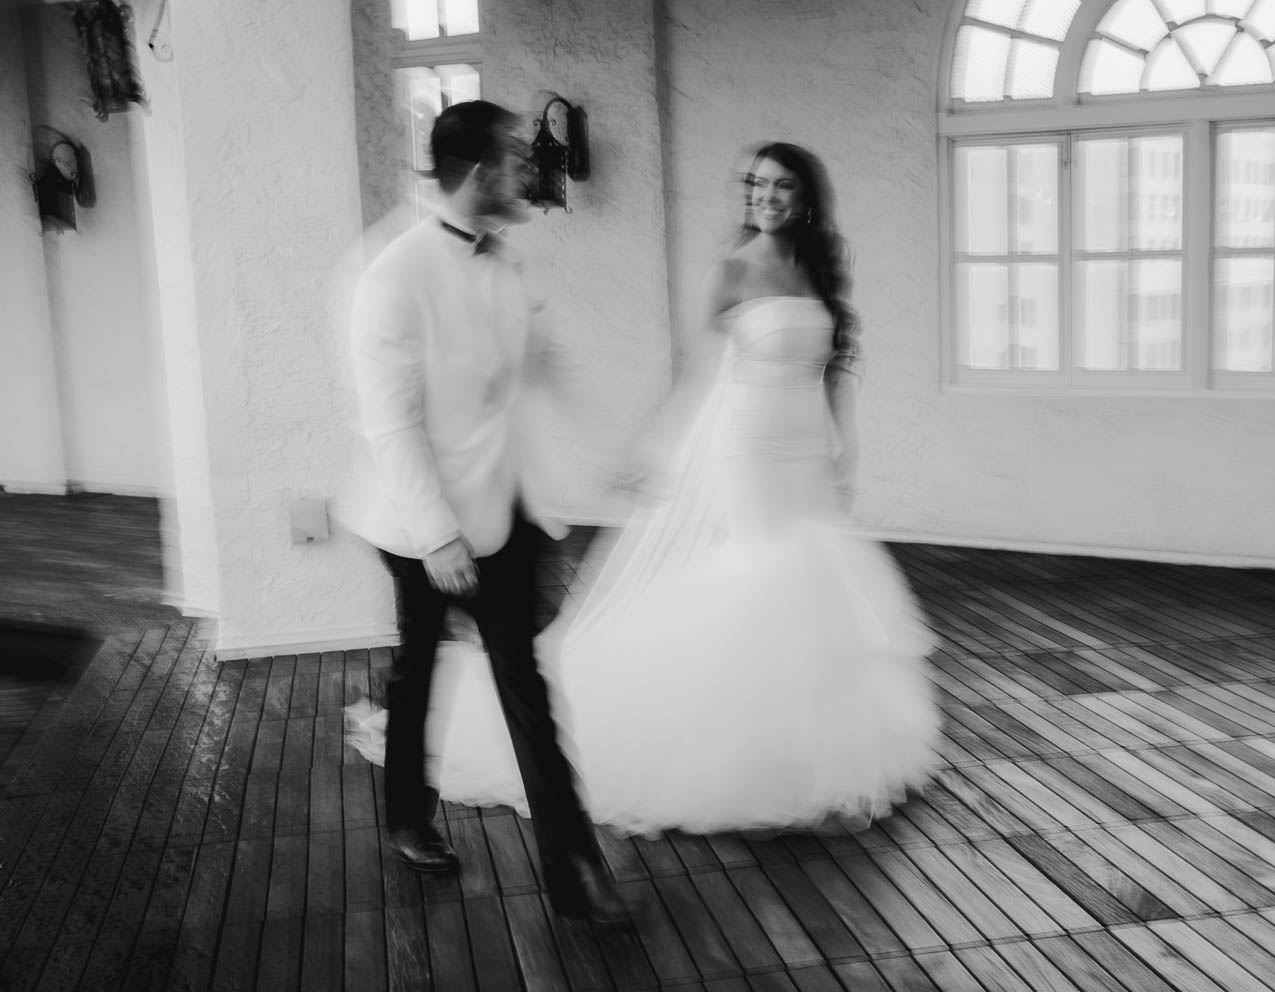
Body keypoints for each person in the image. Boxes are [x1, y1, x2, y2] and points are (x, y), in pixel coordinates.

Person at [349, 140, 941, 836]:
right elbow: (699, 376)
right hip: (747, 450)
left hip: (808, 451)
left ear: (806, 197)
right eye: (756, 185)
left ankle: (815, 749)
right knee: (767, 571)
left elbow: (836, 372)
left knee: (818, 574)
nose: (767, 197)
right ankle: (739, 750)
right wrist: (654, 450)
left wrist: (846, 450)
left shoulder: (817, 269)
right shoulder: (731, 271)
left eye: (782, 186)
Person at [341, 100, 626, 924]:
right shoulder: (394, 277)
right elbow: (390, 423)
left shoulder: (504, 263)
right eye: (512, 157)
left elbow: (528, 371)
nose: (525, 170)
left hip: (502, 509)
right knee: (418, 668)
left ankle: (575, 874)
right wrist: (435, 537)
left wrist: (600, 452)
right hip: (415, 521)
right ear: (475, 175)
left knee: (525, 690)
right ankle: (406, 815)